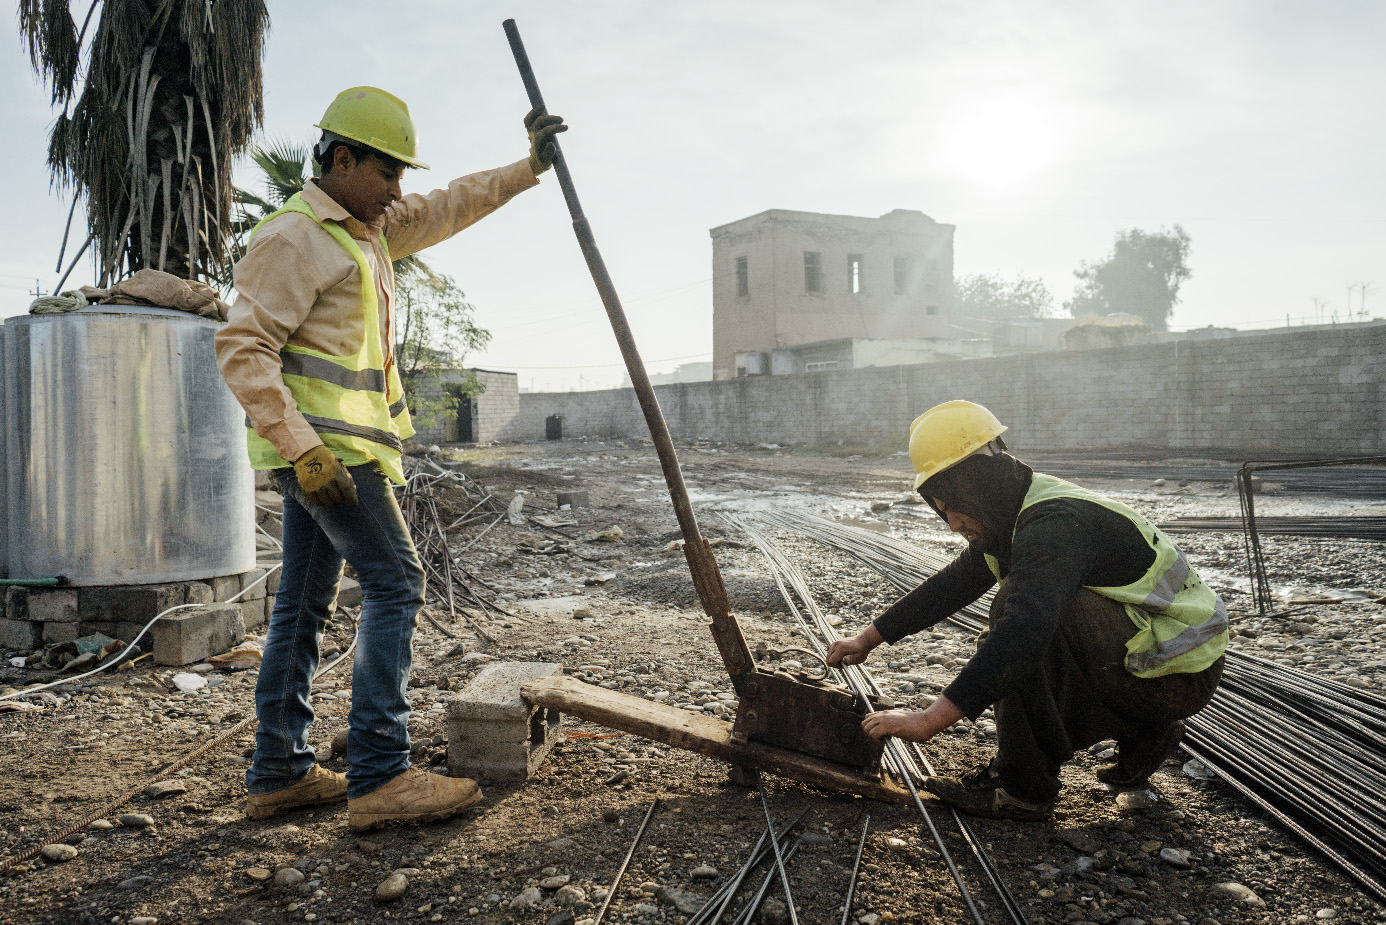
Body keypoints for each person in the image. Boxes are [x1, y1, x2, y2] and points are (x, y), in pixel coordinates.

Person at [216, 86, 566, 831]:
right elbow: (244, 347)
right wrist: (303, 451)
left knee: (303, 605)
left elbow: (446, 205)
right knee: (398, 583)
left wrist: (528, 166)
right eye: (385, 173)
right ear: (341, 160)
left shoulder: (365, 232)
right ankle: (380, 772)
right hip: (326, 454)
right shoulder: (295, 236)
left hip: (336, 452)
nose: (397, 190)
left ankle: (278, 770)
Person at [826, 400, 1228, 820]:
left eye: (955, 507)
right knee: (1032, 623)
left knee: (1017, 621)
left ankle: (1021, 788)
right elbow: (952, 585)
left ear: (977, 487)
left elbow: (1023, 630)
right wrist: (867, 639)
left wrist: (931, 719)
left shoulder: (1054, 523)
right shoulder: (1015, 510)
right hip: (1168, 664)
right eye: (943, 512)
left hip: (1178, 674)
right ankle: (1147, 731)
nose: (954, 525)